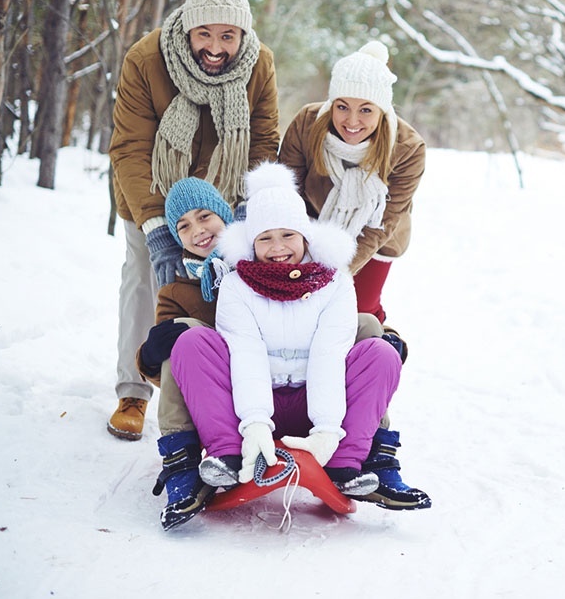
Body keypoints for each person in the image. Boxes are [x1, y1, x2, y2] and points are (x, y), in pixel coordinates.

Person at [167, 163, 429, 531]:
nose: (277, 248)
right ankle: (227, 456)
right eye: (265, 238)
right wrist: (255, 425)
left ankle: (345, 462)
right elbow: (245, 353)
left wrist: (327, 429)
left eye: (287, 235)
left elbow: (329, 353)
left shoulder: (334, 282)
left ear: (305, 236)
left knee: (380, 351)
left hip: (315, 403)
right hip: (253, 407)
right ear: (251, 242)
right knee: (191, 341)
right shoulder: (236, 286)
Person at [107, 0, 280, 441]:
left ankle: (217, 392)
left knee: (227, 287)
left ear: (243, 34)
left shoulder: (259, 64)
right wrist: (156, 227)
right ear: (187, 28)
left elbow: (264, 139)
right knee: (145, 277)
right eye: (205, 34)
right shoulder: (147, 58)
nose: (216, 48)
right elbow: (130, 147)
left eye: (228, 36)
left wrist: (245, 209)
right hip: (152, 190)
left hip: (224, 197)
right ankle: (133, 391)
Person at [278, 42, 430, 511]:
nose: (352, 120)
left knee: (359, 322)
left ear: (382, 111)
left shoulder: (407, 148)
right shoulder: (307, 124)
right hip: (309, 230)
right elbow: (286, 196)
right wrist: (300, 262)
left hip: (373, 240)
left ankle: (377, 446)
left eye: (366, 110)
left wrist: (334, 273)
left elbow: (382, 224)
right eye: (342, 106)